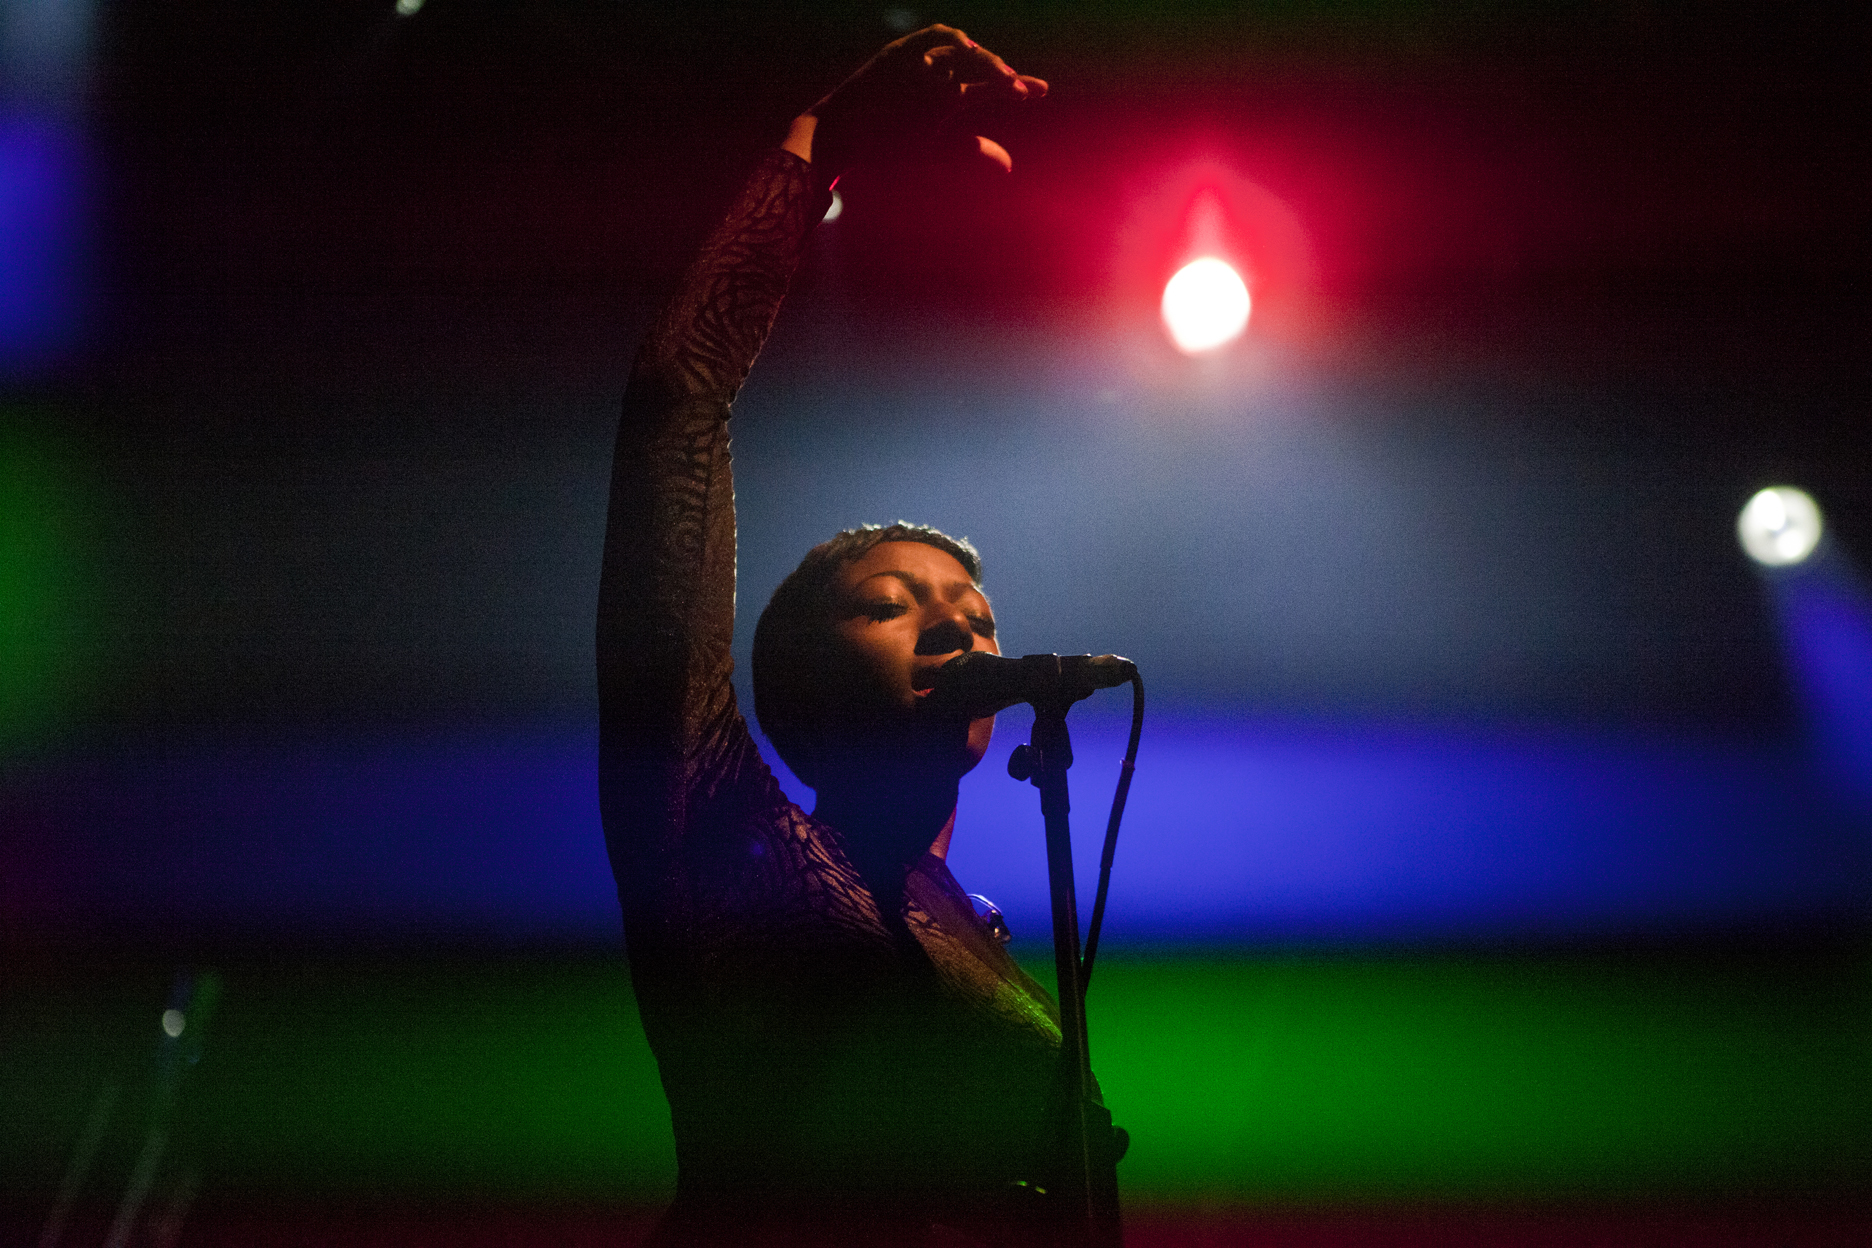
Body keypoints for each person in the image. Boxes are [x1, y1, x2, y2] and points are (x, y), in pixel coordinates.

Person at [595, 25, 1094, 1248]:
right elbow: (677, 403)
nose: (956, 622)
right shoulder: (717, 829)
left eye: (975, 614)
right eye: (892, 602)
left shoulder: (968, 921)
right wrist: (814, 146)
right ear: (795, 678)